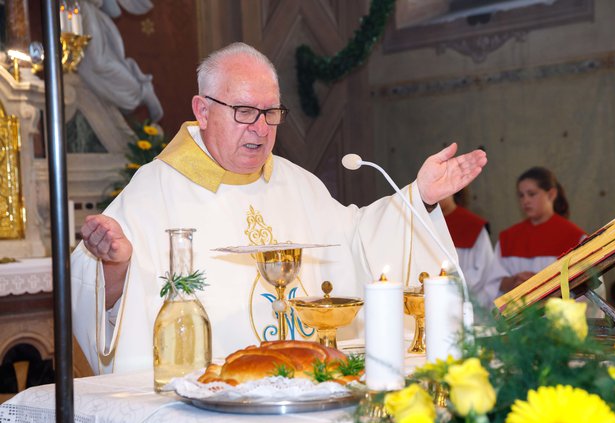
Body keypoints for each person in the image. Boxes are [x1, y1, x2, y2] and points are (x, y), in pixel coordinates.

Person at [71, 42, 487, 375]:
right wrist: (115, 267)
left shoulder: (295, 181)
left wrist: (419, 197)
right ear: (202, 110)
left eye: (271, 113)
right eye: (244, 112)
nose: (260, 127)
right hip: (213, 402)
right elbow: (98, 301)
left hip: (306, 388)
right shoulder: (155, 189)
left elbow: (358, 243)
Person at [484, 167, 586, 301]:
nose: (525, 201)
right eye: (521, 195)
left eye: (531, 194)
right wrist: (514, 282)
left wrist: (542, 284)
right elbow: (494, 281)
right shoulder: (508, 238)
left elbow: (588, 286)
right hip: (518, 317)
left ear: (551, 194)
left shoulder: (575, 237)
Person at [438, 189, 494, 312]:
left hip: (468, 307)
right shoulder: (422, 224)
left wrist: (447, 289)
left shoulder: (472, 225)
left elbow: (484, 270)